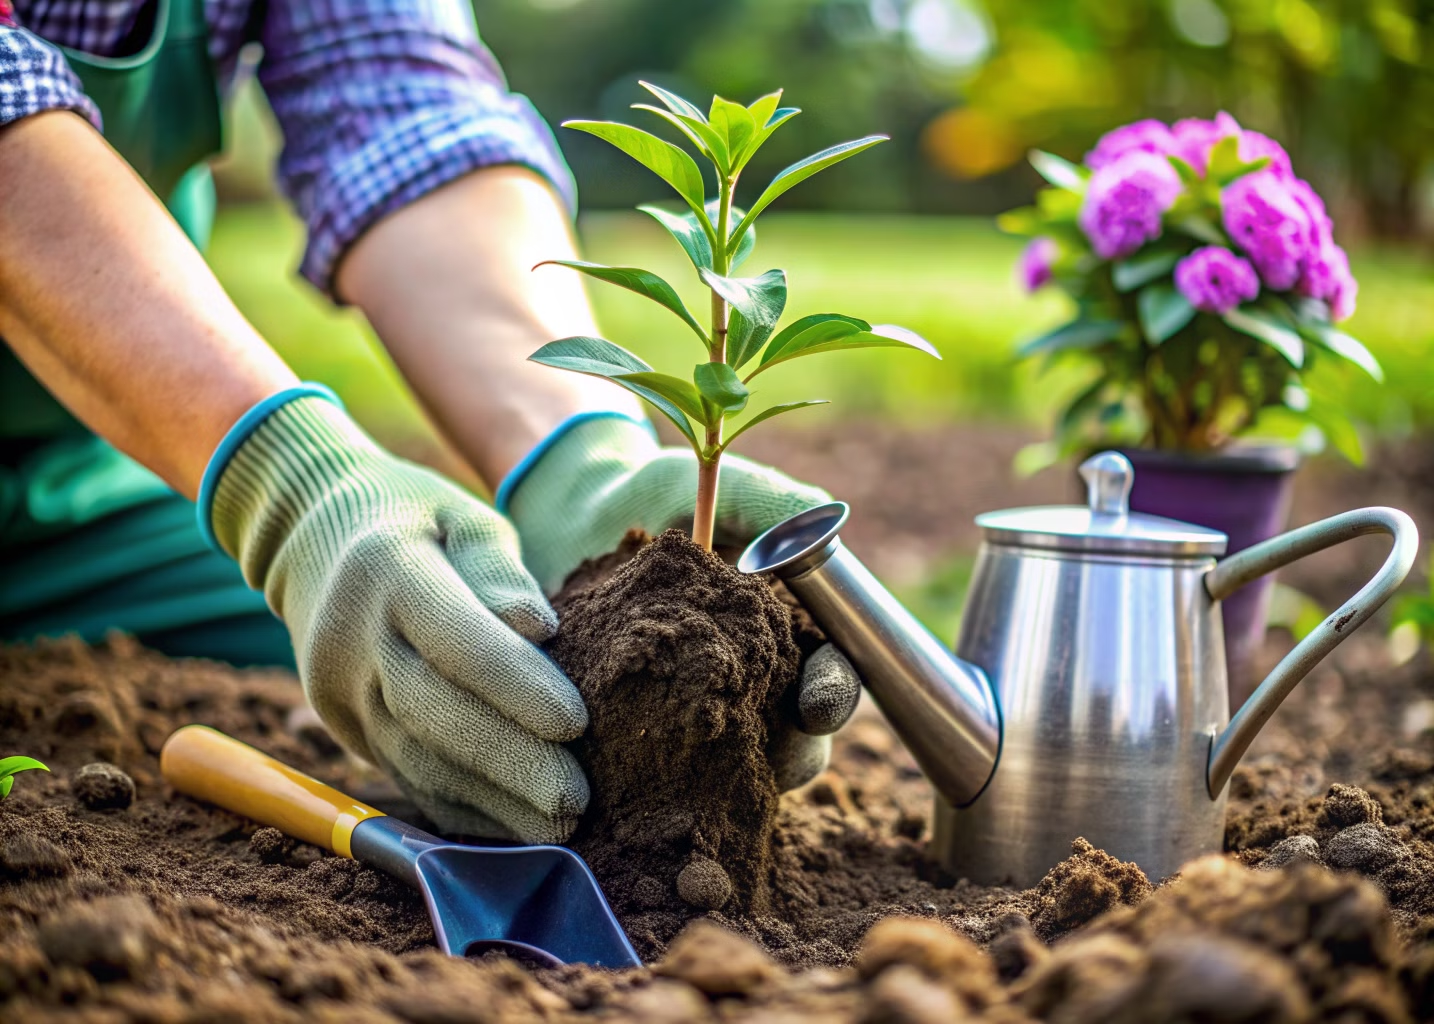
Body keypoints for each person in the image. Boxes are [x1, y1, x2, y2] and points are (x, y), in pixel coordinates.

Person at [0, 0, 861, 843]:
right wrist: (295, 483)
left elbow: (405, 109)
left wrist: (576, 459)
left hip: (89, 482)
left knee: (448, 642)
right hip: (146, 426)